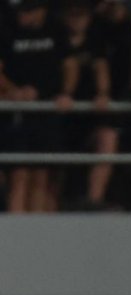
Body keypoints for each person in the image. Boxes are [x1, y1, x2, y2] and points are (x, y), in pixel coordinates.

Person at [0, 0, 77, 212]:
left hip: (47, 112)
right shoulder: (7, 30)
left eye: (27, 11)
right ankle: (17, 226)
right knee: (19, 174)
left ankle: (39, 227)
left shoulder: (56, 29)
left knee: (42, 176)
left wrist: (66, 93)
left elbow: (70, 64)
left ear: (41, 10)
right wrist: (14, 91)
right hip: (17, 115)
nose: (22, 16)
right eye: (20, 11)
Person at [62, 0, 118, 211]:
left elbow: (101, 69)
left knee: (107, 137)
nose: (77, 21)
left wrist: (103, 93)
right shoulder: (57, 40)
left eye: (82, 15)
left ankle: (94, 199)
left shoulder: (95, 43)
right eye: (73, 15)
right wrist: (65, 94)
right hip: (60, 113)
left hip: (88, 112)